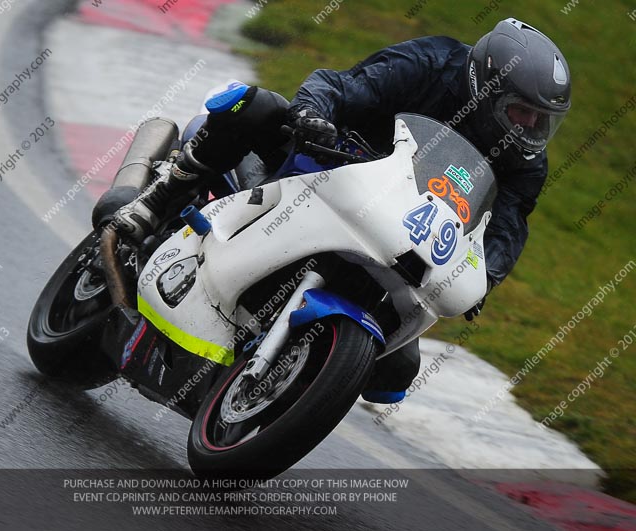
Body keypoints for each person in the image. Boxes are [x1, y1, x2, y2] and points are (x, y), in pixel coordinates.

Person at [103, 18, 571, 404]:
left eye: (542, 119)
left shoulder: (525, 160)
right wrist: (313, 115)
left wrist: (487, 276)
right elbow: (341, 85)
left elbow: (509, 223)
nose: (531, 127)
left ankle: (290, 378)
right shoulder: (430, 64)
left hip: (399, 232)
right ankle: (156, 201)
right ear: (485, 87)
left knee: (395, 372)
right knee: (254, 105)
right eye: (521, 111)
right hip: (327, 162)